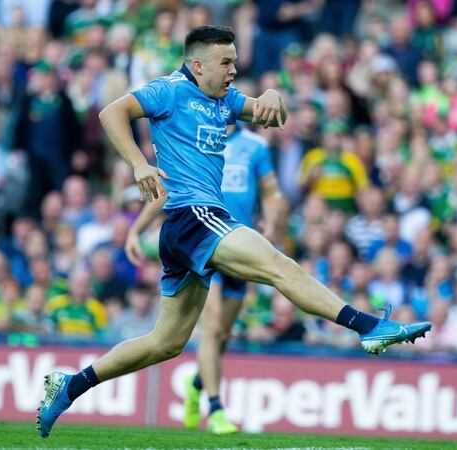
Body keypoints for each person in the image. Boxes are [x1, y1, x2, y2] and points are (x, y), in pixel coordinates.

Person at [36, 25, 431, 438]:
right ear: (197, 64)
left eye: (236, 62)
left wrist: (275, 97)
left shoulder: (223, 99)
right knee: (279, 266)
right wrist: (138, 163)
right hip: (193, 215)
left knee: (165, 343)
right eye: (226, 62)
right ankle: (368, 326)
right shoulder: (168, 91)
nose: (233, 70)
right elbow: (110, 112)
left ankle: (70, 385)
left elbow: (267, 110)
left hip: (188, 228)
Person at [124, 118, 284, 434]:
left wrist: (272, 222)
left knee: (224, 333)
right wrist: (137, 229)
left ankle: (196, 382)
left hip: (242, 243)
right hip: (205, 243)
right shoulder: (195, 143)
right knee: (210, 327)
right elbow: (167, 189)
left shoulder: (256, 147)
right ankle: (215, 408)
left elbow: (271, 193)